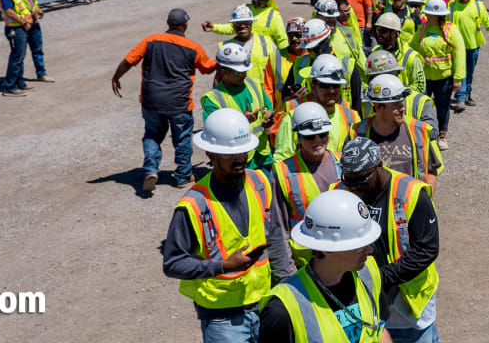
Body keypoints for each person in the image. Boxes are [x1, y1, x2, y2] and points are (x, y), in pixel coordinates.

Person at [163, 108, 295, 343]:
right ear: (210, 154)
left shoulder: (260, 182)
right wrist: (222, 266)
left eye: (244, 151)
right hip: (221, 317)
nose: (240, 159)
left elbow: (275, 237)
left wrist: (285, 288)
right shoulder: (193, 205)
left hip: (265, 303)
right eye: (230, 154)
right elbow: (173, 263)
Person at [337, 138, 439, 343]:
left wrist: (380, 278)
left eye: (362, 179)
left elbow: (426, 249)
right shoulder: (339, 193)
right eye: (349, 180)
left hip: (406, 308)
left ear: (379, 166)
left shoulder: (411, 193)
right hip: (359, 301)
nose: (355, 188)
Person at [258, 188, 389, 343]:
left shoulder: (368, 273)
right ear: (328, 250)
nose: (370, 249)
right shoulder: (282, 310)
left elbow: (379, 330)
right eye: (359, 246)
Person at [113, 8, 218, 192]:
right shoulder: (193, 47)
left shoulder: (150, 41)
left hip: (151, 101)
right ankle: (183, 176)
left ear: (168, 24)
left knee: (152, 135)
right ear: (185, 25)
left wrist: (116, 77)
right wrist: (224, 60)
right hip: (179, 103)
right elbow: (208, 68)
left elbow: (128, 61)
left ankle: (150, 170)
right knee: (182, 138)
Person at [272, 103, 342, 268]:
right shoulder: (283, 171)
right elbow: (278, 229)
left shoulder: (343, 163)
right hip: (304, 263)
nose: (317, 140)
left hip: (342, 258)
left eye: (322, 134)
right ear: (298, 137)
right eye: (310, 137)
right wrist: (287, 271)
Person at [356, 75, 442, 187]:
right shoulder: (357, 133)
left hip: (408, 198)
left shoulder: (417, 131)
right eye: (396, 105)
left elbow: (431, 171)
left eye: (402, 102)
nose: (402, 108)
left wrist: (425, 196)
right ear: (378, 107)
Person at [204, 43, 276, 170]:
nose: (244, 75)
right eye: (239, 73)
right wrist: (241, 121)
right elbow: (213, 132)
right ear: (225, 72)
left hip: (262, 156)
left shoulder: (254, 84)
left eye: (245, 71)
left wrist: (268, 117)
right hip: (236, 162)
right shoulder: (212, 99)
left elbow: (267, 106)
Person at [410, 0, 465, 149]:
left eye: (429, 13)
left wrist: (458, 78)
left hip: (444, 78)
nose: (427, 15)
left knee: (443, 107)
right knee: (422, 106)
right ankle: (423, 134)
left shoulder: (451, 30)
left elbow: (459, 54)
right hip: (424, 77)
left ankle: (442, 135)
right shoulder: (422, 28)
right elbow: (412, 47)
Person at [447, 0, 489, 110]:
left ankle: (467, 96)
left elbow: (488, 22)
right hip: (457, 48)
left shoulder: (478, 6)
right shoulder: (451, 7)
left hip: (473, 46)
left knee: (470, 72)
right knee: (461, 72)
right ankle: (460, 98)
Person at [205, 0, 289, 53]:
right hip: (244, 52)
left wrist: (286, 59)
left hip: (264, 57)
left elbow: (282, 40)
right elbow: (232, 28)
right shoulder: (245, 9)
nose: (255, 0)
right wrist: (214, 27)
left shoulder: (273, 16)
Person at [0, 0, 39, 97]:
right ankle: (10, 87)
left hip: (19, 27)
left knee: (20, 56)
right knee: (17, 57)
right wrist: (23, 23)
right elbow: (9, 12)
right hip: (15, 28)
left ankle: (20, 83)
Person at [16, 0, 58, 85]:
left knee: (37, 50)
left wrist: (37, 10)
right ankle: (18, 80)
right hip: (22, 25)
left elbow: (32, 1)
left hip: (34, 23)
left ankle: (41, 74)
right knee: (20, 54)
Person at [370, 18, 426, 95]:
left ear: (394, 33)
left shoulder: (411, 57)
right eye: (377, 30)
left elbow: (420, 87)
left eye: (383, 31)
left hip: (404, 101)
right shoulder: (375, 52)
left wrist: (397, 92)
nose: (379, 34)